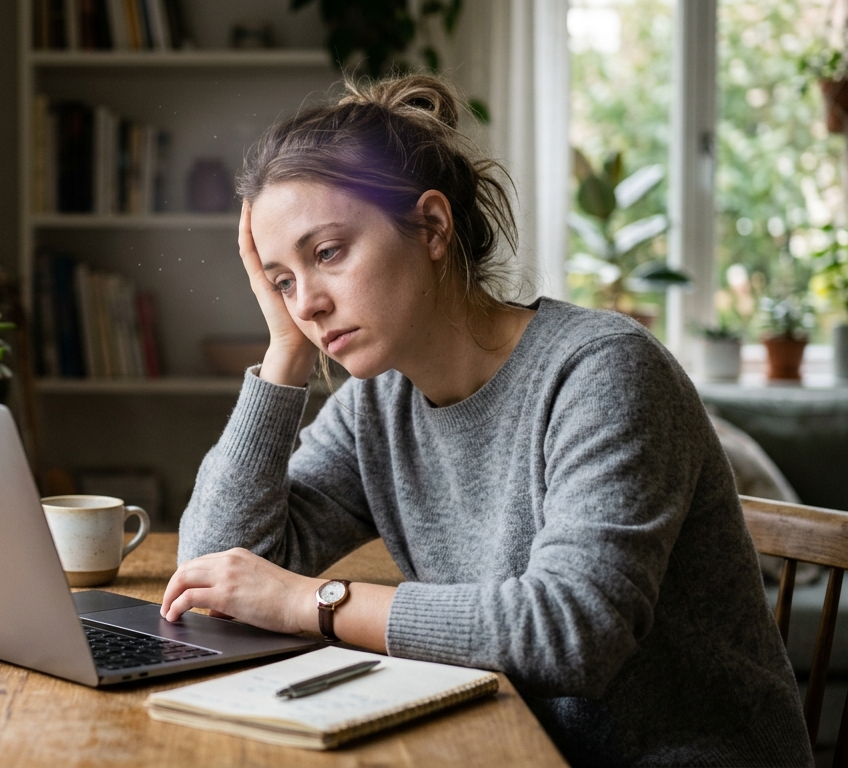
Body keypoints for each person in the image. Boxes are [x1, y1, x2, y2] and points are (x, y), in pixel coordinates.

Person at [159, 74, 812, 766]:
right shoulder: (379, 403)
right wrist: (283, 352)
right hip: (511, 746)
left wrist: (310, 602)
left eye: (327, 253)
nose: (308, 303)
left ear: (432, 227)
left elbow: (570, 634)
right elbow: (217, 574)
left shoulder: (604, 373)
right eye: (282, 281)